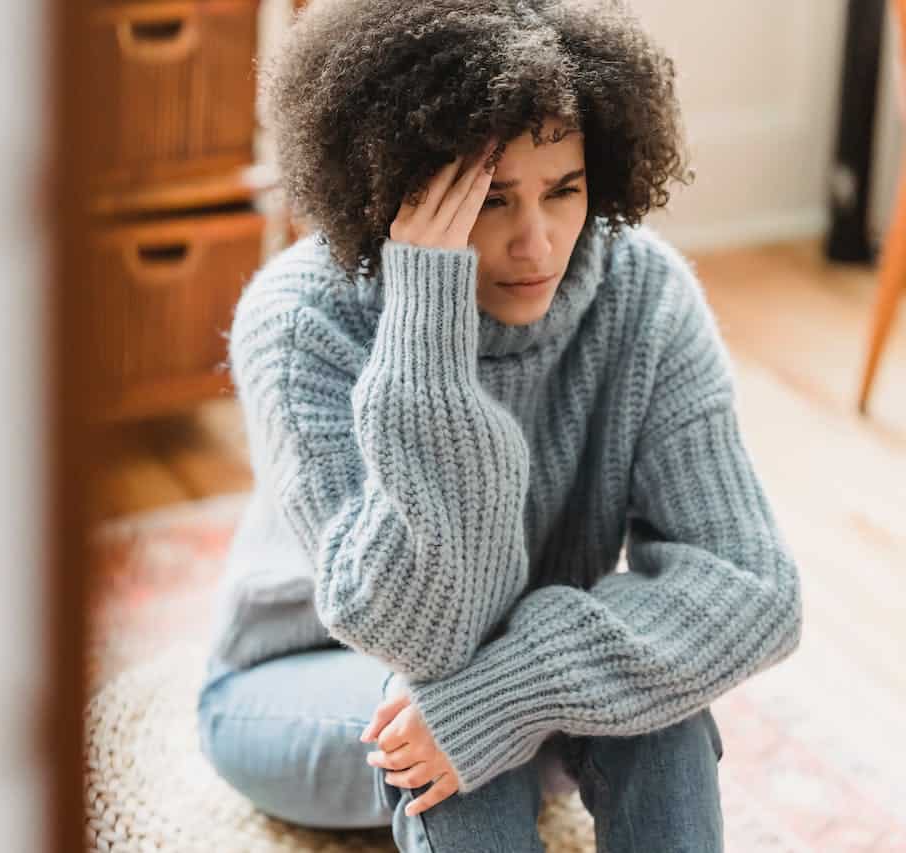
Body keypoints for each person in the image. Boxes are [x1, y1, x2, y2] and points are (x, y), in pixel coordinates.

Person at [195, 1, 803, 850]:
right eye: (488, 201)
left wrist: (514, 690)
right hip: (299, 677)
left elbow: (753, 586)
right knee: (436, 715)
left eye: (565, 191)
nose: (538, 243)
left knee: (647, 711)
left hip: (503, 665)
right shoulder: (303, 322)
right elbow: (419, 630)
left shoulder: (643, 296)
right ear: (397, 190)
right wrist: (425, 328)